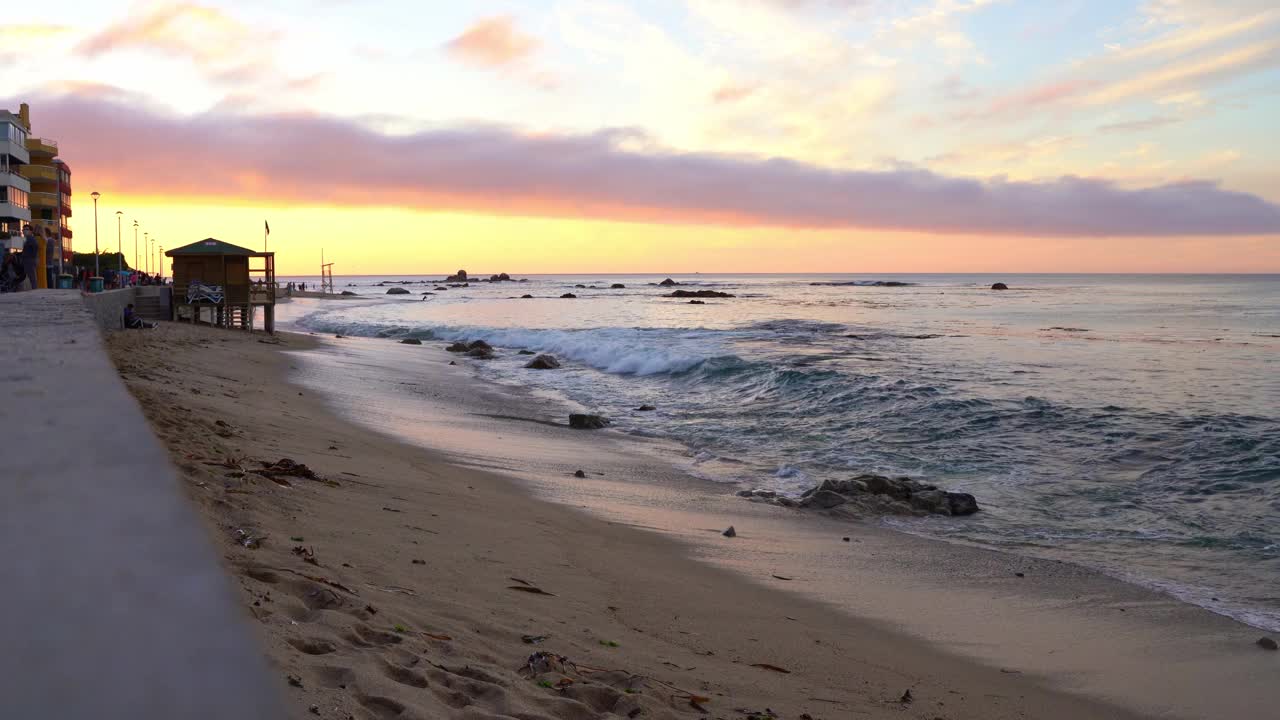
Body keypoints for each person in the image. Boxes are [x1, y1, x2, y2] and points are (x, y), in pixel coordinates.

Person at [21, 226, 38, 291]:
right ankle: (33, 289)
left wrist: (33, 257)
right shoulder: (26, 239)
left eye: (27, 229)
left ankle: (34, 290)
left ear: (31, 231)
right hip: (27, 259)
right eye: (24, 229)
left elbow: (35, 247)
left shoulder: (30, 238)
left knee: (32, 276)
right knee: (30, 276)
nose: (24, 231)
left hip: (29, 260)